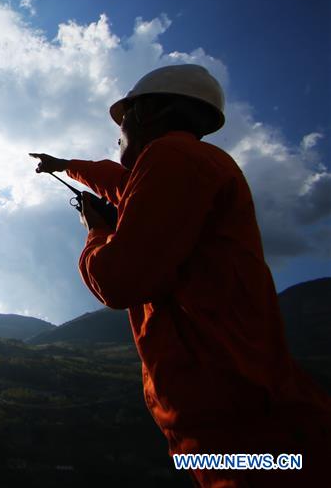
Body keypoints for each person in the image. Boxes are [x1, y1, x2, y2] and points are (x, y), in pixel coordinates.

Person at [30, 64, 330, 487]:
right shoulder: (186, 163)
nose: (118, 132)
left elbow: (118, 280)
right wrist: (65, 165)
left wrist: (96, 232)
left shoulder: (173, 157)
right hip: (233, 419)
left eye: (124, 119)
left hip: (239, 426)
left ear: (150, 113)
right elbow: (121, 184)